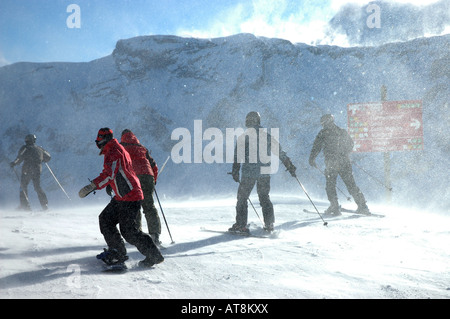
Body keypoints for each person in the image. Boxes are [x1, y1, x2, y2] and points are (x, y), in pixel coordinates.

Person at [78, 128, 164, 268]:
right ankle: (117, 251)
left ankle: (148, 255)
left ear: (104, 140)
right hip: (123, 195)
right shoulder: (116, 149)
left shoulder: (114, 151)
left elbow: (109, 174)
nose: (97, 144)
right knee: (106, 219)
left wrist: (92, 186)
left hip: (130, 196)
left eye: (98, 140)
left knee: (129, 231)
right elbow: (118, 172)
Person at [230, 111, 296, 233]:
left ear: (247, 122)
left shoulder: (243, 137)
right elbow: (280, 152)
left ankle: (241, 224)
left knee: (242, 198)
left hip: (248, 173)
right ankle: (269, 224)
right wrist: (289, 165)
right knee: (264, 197)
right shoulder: (267, 136)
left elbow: (237, 157)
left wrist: (235, 171)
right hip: (264, 173)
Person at [308, 114, 370, 216]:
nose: (323, 125)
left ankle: (334, 206)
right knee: (351, 184)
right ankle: (363, 206)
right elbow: (351, 144)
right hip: (344, 162)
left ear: (326, 122)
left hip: (331, 163)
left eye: (323, 123)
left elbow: (316, 147)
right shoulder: (342, 131)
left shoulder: (323, 133)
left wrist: (312, 159)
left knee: (330, 185)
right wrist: (344, 153)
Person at [120, 129, 161, 245]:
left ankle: (138, 235)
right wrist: (153, 181)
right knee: (149, 207)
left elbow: (117, 166)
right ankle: (155, 235)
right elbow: (154, 166)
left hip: (134, 177)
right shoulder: (142, 148)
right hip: (148, 176)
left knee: (134, 205)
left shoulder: (121, 148)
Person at [10, 134, 51, 211]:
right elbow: (48, 157)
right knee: (37, 187)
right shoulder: (39, 148)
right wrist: (43, 159)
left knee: (23, 186)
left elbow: (19, 158)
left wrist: (14, 163)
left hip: (27, 170)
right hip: (37, 170)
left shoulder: (25, 148)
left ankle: (25, 206)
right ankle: (44, 205)